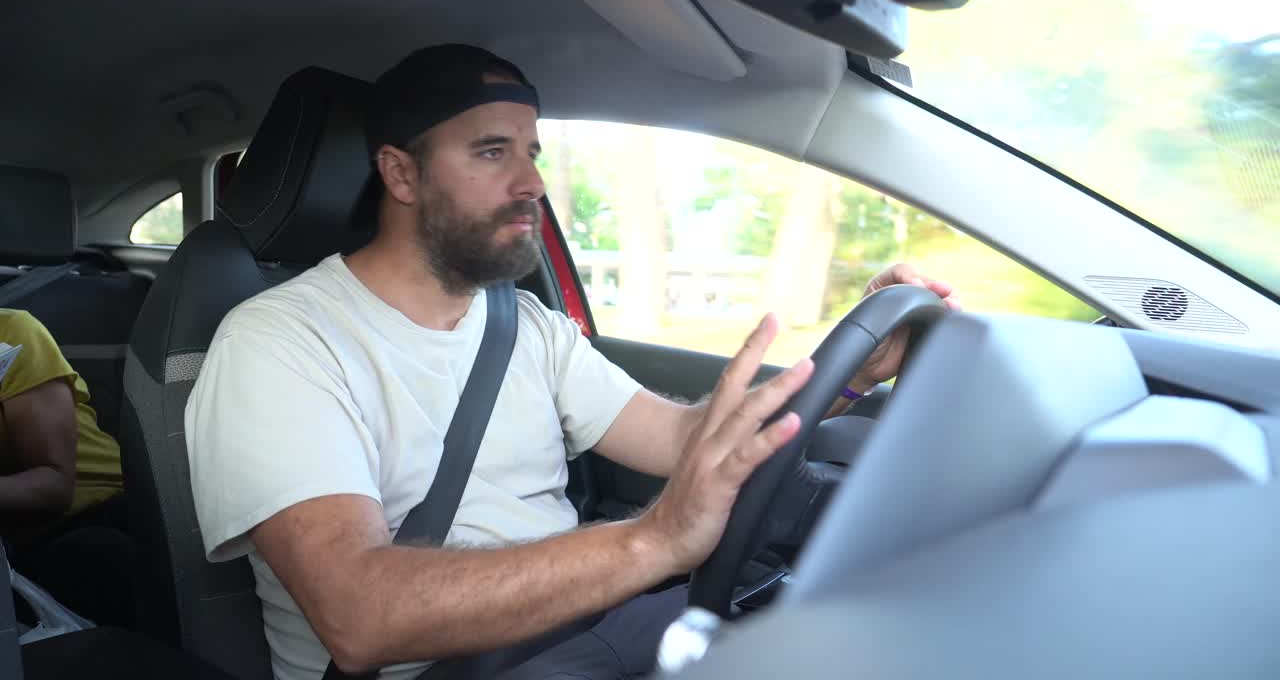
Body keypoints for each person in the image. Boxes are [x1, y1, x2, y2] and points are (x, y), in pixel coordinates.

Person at [185, 44, 960, 680]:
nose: (532, 184)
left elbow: (678, 440)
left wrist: (849, 374)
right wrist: (652, 539)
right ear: (400, 174)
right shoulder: (278, 342)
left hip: (587, 624)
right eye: (492, 153)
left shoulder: (521, 321)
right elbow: (357, 613)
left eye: (532, 152)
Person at [0, 308, 132, 627]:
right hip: (14, 540)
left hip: (97, 511)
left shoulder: (11, 331)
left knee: (96, 558)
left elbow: (54, 486)